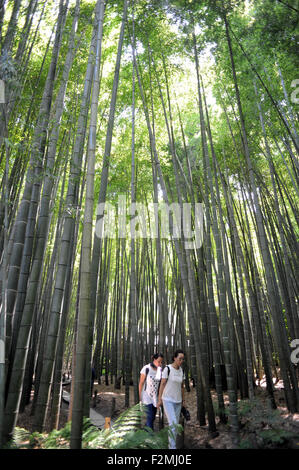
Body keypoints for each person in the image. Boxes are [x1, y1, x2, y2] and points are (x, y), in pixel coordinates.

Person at [157, 349, 185, 449]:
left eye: (182, 359)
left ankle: (171, 445)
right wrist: (159, 399)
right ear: (174, 358)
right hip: (167, 400)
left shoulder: (182, 370)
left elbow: (182, 386)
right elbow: (162, 384)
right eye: (179, 359)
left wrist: (183, 401)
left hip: (178, 401)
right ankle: (172, 448)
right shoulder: (167, 369)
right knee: (173, 424)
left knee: (176, 426)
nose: (181, 361)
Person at [139, 353, 164, 430]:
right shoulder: (146, 368)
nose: (160, 363)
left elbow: (159, 384)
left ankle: (145, 431)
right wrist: (140, 396)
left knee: (152, 417)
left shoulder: (160, 370)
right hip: (146, 396)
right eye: (159, 361)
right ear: (154, 359)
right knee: (149, 417)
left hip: (155, 397)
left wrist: (160, 398)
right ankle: (150, 437)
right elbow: (141, 383)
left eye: (161, 362)